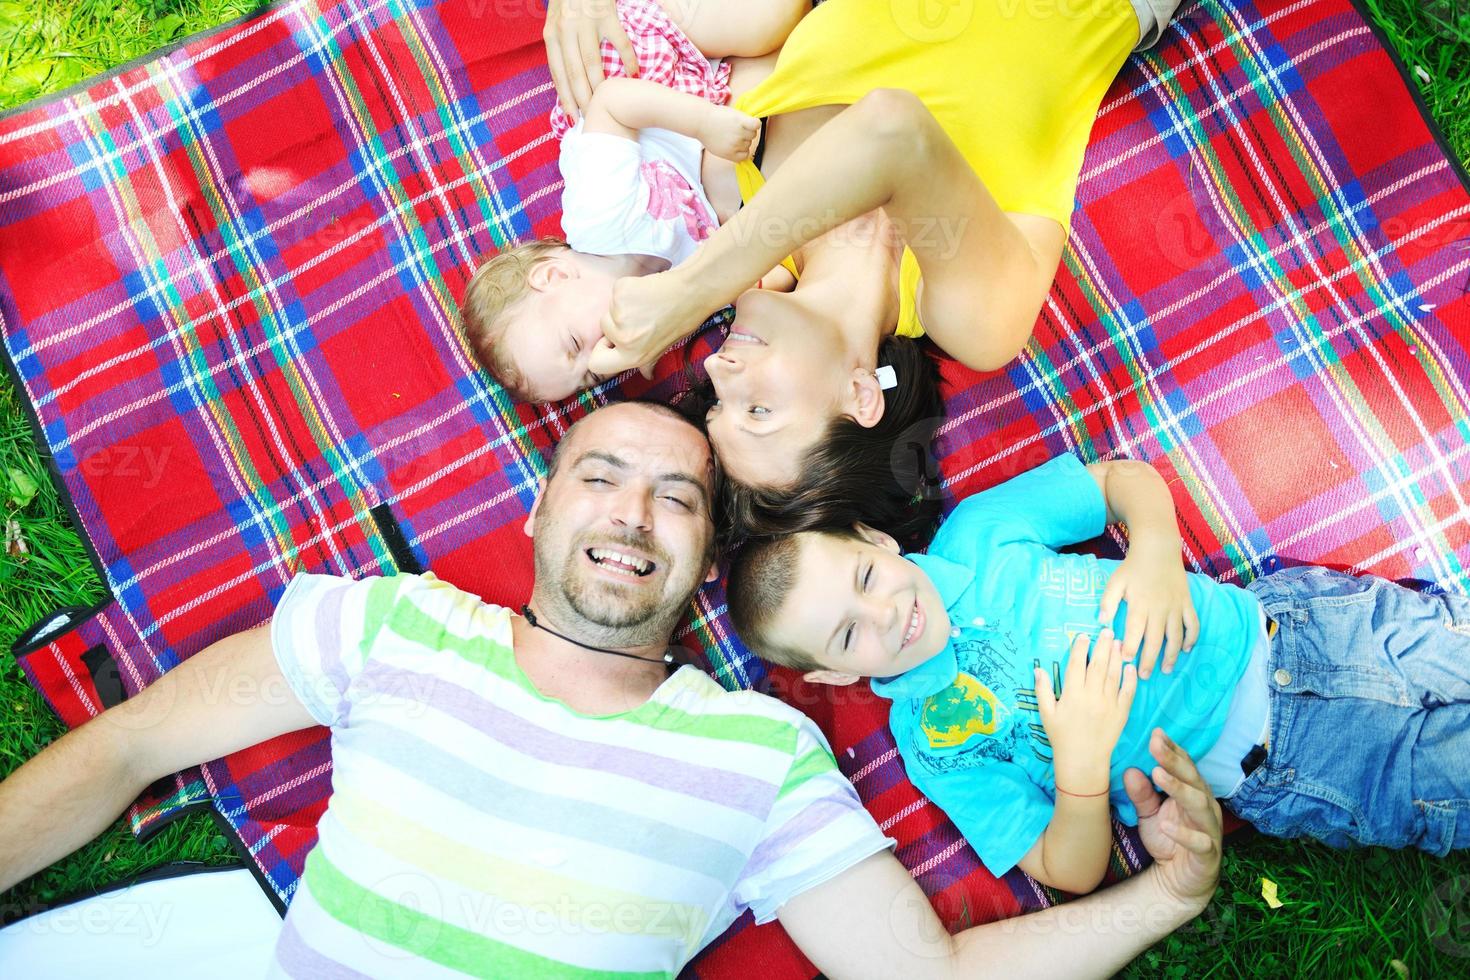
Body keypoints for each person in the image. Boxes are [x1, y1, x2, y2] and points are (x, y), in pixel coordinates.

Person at [0, 403, 1223, 978]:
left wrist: (1169, 891)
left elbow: (935, 979)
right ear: (538, 508)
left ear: (700, 566)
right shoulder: (391, 620)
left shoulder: (759, 753)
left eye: (678, 498)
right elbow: (130, 744)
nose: (634, 512)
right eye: (601, 475)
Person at [540, 0, 1183, 539]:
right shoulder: (968, 319)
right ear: (860, 395)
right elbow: (894, 132)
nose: (716, 368)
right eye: (758, 409)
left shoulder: (736, 176)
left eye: (718, 402)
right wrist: (689, 291)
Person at [726, 452, 1470, 897]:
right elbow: (1066, 869)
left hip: (1298, 625)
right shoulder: (935, 745)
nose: (886, 612)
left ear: (876, 538)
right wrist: (1080, 768)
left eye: (864, 575)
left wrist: (1153, 553)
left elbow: (1122, 480)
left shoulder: (978, 535)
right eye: (849, 633)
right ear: (827, 675)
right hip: (1291, 764)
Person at [460, 0, 808, 403]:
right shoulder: (664, 291)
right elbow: (744, 271)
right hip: (718, 104)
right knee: (794, 82)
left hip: (651, 64)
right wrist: (759, 284)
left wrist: (704, 123)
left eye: (575, 343)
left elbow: (613, 103)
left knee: (770, 18)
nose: (599, 356)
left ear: (552, 277)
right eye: (590, 374)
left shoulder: (598, 221)